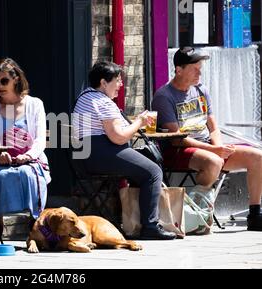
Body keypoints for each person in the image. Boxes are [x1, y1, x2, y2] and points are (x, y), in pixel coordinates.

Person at [152, 46, 262, 231]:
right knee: (213, 162)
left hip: (208, 147)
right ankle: (196, 213)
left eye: (200, 67)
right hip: (179, 150)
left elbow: (213, 126)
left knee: (257, 157)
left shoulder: (201, 89)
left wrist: (219, 148)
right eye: (194, 68)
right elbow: (177, 138)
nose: (200, 72)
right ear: (179, 70)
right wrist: (215, 152)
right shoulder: (164, 96)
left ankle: (255, 214)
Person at [72, 61, 176, 240]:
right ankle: (150, 226)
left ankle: (133, 222)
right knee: (153, 172)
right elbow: (118, 137)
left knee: (142, 170)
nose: (121, 85)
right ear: (104, 83)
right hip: (101, 154)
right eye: (117, 80)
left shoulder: (85, 96)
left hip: (84, 158)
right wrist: (139, 122)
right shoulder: (103, 102)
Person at [0, 58, 51, 244]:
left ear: (16, 79)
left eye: (4, 81)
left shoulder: (35, 104)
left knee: (28, 174)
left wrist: (28, 156)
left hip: (30, 159)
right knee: (0, 177)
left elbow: (40, 139)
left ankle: (34, 225)